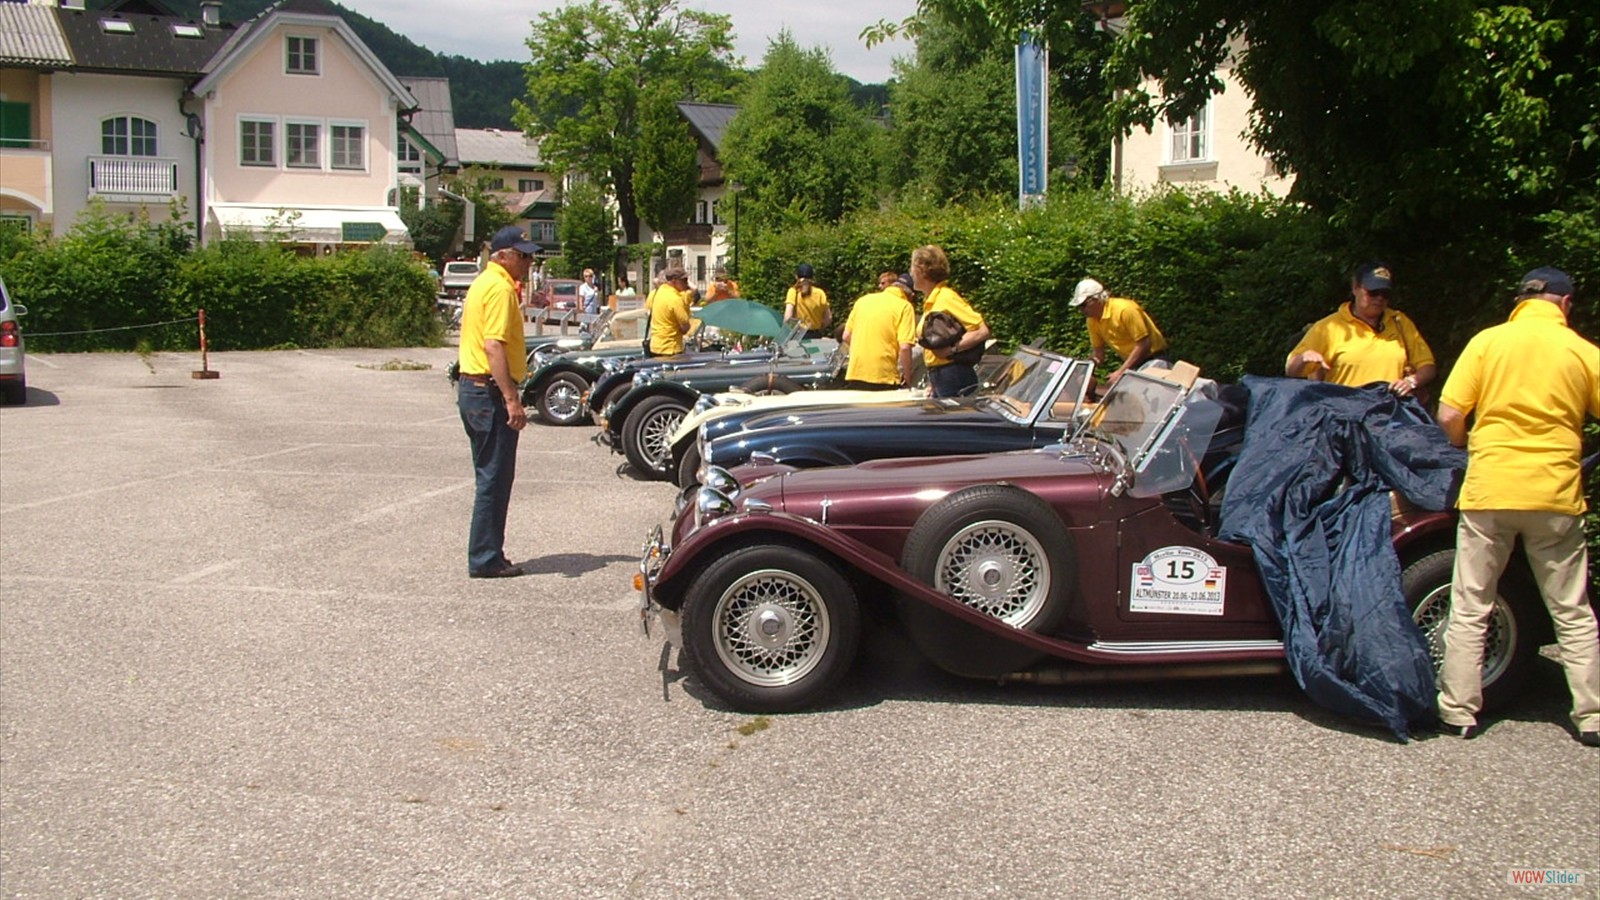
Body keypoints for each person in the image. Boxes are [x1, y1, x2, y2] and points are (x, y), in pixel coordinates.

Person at [1433, 267, 1600, 745]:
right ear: (1565, 304)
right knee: (1571, 608)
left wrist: (1467, 450)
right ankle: (1591, 717)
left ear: (1520, 300)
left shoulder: (1488, 342)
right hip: (1555, 496)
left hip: (1491, 489)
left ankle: (1459, 711)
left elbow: (1449, 413)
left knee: (1471, 604)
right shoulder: (1582, 351)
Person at [456, 226, 539, 579]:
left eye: (530, 256)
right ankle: (486, 558)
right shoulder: (501, 288)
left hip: (474, 389)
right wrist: (511, 398)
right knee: (494, 478)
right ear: (503, 256)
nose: (529, 263)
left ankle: (489, 552)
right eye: (523, 256)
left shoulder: (483, 282)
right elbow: (494, 345)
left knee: (489, 475)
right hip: (487, 392)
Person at [1285, 261, 1436, 397]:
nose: (1379, 298)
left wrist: (1411, 382)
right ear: (1355, 288)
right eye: (1373, 292)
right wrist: (1303, 358)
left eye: (1385, 294)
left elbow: (1427, 366)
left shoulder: (1399, 321)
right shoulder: (1329, 327)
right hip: (1346, 415)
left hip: (1389, 415)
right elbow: (1291, 370)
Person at [912, 245, 990, 398]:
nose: (910, 274)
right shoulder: (932, 300)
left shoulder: (947, 297)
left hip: (953, 374)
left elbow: (982, 330)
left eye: (912, 268)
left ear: (922, 270)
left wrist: (951, 350)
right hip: (941, 375)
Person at [1070, 278, 1171, 387]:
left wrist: (1121, 371)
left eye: (1083, 305)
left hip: (1155, 360)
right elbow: (1099, 355)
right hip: (1134, 365)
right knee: (1113, 393)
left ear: (1097, 299)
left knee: (1137, 394)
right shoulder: (1092, 321)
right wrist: (1084, 368)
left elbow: (1144, 344)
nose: (1081, 310)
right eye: (1078, 307)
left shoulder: (1125, 309)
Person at [841, 272, 917, 390]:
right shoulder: (905, 307)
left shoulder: (863, 301)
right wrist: (907, 376)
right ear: (911, 295)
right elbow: (905, 347)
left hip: (856, 371)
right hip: (884, 374)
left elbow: (846, 336)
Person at [647, 266, 695, 356]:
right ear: (674, 281)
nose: (686, 283)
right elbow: (685, 327)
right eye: (684, 280)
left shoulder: (659, 292)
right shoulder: (675, 299)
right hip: (671, 348)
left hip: (655, 345)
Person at [784, 263, 831, 338]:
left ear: (796, 277)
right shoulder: (820, 293)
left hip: (799, 334)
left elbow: (788, 316)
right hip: (816, 334)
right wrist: (820, 328)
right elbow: (828, 318)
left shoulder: (793, 292)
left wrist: (786, 331)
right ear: (812, 278)